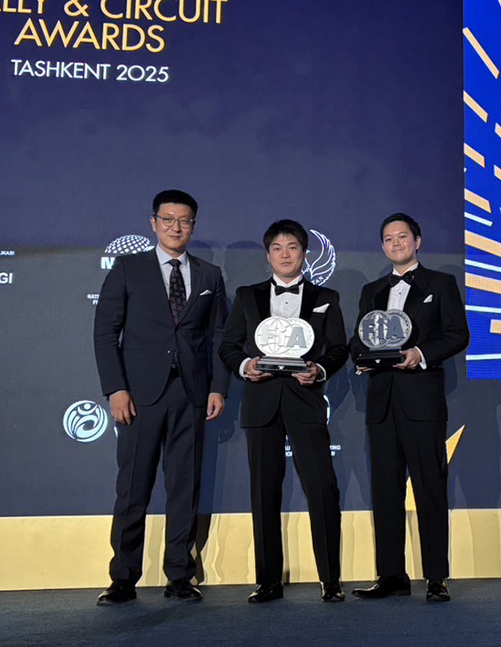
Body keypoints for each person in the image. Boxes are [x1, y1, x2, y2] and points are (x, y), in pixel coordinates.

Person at [93, 189, 228, 605]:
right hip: (140, 395)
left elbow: (219, 336)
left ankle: (180, 575)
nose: (175, 227)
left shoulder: (209, 275)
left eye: (184, 220)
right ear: (153, 223)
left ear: (193, 226)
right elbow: (105, 333)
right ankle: (122, 578)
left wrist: (218, 387)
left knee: (184, 488)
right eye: (168, 219)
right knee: (133, 487)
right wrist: (116, 388)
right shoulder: (128, 268)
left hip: (191, 394)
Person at [219, 220, 348, 603]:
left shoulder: (327, 297)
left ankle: (331, 580)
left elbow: (338, 349)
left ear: (304, 254)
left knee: (322, 489)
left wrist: (319, 369)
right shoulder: (247, 296)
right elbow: (228, 346)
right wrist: (245, 366)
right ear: (268, 254)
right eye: (277, 247)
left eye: (292, 247)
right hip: (261, 402)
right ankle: (268, 581)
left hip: (305, 401)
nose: (285, 254)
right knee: (264, 493)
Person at [349, 213, 469, 603]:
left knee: (430, 488)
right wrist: (362, 358)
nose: (396, 243)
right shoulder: (371, 290)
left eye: (402, 236)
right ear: (382, 246)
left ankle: (436, 577)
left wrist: (420, 353)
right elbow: (359, 338)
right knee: (385, 491)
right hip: (381, 403)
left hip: (422, 403)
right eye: (388, 238)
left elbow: (457, 334)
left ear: (417, 240)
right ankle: (391, 575)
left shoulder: (441, 284)